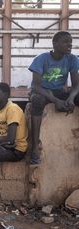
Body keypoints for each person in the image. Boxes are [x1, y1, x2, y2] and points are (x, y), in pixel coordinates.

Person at [28, 31, 79, 165]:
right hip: (43, 92)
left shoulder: (72, 59)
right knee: (36, 101)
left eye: (70, 41)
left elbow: (76, 85)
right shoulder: (41, 59)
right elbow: (37, 87)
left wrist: (71, 98)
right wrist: (56, 101)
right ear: (54, 44)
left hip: (60, 92)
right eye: (65, 42)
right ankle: (34, 149)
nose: (70, 44)